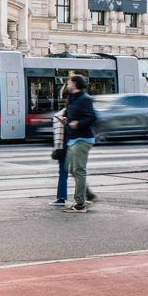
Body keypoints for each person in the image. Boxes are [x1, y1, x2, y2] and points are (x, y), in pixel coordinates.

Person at [49, 88, 98, 206]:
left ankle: (65, 199)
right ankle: (86, 195)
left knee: (67, 172)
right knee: (75, 171)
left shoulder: (65, 113)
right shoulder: (72, 112)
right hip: (72, 143)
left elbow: (60, 134)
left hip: (68, 144)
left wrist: (57, 148)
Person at [60, 75, 99, 213]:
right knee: (71, 169)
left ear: (75, 83)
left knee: (78, 170)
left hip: (83, 139)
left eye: (69, 82)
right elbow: (75, 116)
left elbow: (92, 117)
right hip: (74, 138)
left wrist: (78, 124)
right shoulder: (73, 98)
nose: (68, 84)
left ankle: (80, 204)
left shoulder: (85, 99)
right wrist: (66, 121)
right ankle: (88, 195)